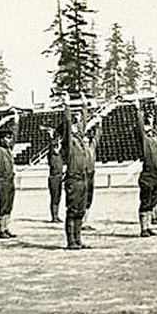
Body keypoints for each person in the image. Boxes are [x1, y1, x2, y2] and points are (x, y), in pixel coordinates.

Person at [134, 100, 157, 237]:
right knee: (146, 201)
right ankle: (143, 228)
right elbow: (140, 127)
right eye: (148, 129)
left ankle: (148, 227)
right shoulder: (144, 141)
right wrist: (139, 110)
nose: (151, 131)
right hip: (148, 174)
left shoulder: (156, 140)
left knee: (154, 200)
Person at [61, 100, 90, 249]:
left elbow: (83, 124)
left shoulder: (80, 141)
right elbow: (66, 124)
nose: (76, 125)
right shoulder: (68, 144)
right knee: (72, 211)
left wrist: (84, 105)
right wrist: (67, 106)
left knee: (80, 211)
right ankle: (71, 241)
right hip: (73, 180)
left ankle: (78, 239)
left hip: (83, 179)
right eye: (74, 124)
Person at [0, 111, 19, 239]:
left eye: (10, 138)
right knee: (3, 206)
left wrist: (16, 120)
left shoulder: (9, 150)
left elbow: (16, 134)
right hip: (2, 181)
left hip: (10, 180)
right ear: (1, 139)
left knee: (9, 206)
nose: (9, 140)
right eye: (7, 138)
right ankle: (1, 230)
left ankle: (7, 228)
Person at [81, 103, 103, 231]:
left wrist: (99, 123)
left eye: (86, 140)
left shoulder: (92, 146)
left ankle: (86, 221)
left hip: (91, 174)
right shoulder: (80, 149)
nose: (86, 142)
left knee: (89, 198)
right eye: (83, 140)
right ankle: (82, 222)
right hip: (83, 174)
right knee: (82, 199)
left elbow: (98, 135)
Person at [45, 128, 64, 223]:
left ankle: (56, 215)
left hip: (59, 177)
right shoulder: (51, 154)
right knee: (54, 197)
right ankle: (54, 216)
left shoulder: (59, 156)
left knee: (58, 197)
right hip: (54, 178)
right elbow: (52, 145)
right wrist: (51, 136)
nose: (57, 149)